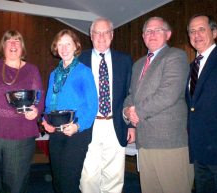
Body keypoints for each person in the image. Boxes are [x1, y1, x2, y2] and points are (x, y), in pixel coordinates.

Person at [123, 16, 194, 193]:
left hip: (169, 142)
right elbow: (131, 95)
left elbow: (168, 94)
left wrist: (136, 111)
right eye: (148, 31)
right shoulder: (138, 64)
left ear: (168, 34)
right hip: (144, 142)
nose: (152, 34)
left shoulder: (176, 56)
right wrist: (126, 113)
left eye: (157, 30)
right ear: (143, 35)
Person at [0, 30, 44, 193]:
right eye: (9, 41)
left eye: (17, 41)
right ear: (3, 45)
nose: (13, 44)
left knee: (15, 186)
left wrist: (36, 110)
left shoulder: (31, 70)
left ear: (22, 47)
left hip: (20, 137)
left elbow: (39, 97)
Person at [79, 18, 134, 193]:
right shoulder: (79, 59)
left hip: (116, 124)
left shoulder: (124, 60)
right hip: (89, 125)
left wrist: (131, 125)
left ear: (112, 35)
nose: (101, 37)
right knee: (88, 177)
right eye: (97, 32)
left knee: (115, 176)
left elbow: (130, 93)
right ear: (91, 35)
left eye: (105, 32)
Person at [42, 29, 98, 193]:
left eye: (68, 44)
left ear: (76, 47)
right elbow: (48, 105)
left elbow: (92, 105)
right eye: (60, 44)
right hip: (57, 132)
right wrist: (46, 122)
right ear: (56, 48)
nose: (64, 48)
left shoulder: (83, 72)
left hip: (77, 132)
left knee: (69, 181)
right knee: (58, 180)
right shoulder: (54, 74)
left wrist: (78, 126)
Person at [186, 14, 217, 193]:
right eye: (192, 31)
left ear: (214, 32)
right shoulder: (192, 66)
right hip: (200, 152)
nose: (196, 34)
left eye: (202, 29)